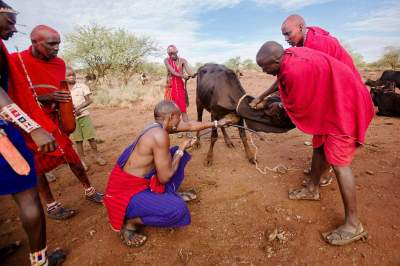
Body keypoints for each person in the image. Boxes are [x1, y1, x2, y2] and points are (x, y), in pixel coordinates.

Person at [256, 41, 374, 245]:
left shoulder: (294, 71)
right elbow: (280, 79)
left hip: (344, 106)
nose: (264, 71)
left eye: (265, 67)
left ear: (276, 60)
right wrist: (263, 95)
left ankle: (354, 225)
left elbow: (297, 106)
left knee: (339, 164)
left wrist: (278, 107)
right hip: (332, 101)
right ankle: (312, 188)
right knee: (319, 144)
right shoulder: (290, 54)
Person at [251, 14, 363, 186]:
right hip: (331, 93)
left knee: (331, 140)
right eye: (283, 36)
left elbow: (313, 82)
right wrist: (262, 96)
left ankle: (323, 175)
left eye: (288, 34)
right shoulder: (297, 47)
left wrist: (284, 105)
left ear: (301, 27)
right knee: (320, 138)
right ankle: (318, 174)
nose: (286, 39)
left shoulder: (318, 44)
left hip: (342, 94)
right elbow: (283, 73)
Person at [104, 100, 231, 247]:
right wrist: (181, 150)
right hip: (126, 194)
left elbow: (189, 125)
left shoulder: (156, 127)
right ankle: (130, 222)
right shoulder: (160, 136)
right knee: (178, 210)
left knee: (173, 155)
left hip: (135, 184)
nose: (181, 121)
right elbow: (165, 178)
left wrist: (217, 124)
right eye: (179, 118)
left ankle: (167, 196)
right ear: (171, 117)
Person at [10, 25, 103, 220]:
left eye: (58, 44)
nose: (56, 48)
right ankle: (51, 205)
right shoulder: (15, 61)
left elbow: (60, 91)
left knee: (73, 158)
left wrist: (64, 111)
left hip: (54, 120)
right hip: (29, 125)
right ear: (34, 42)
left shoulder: (59, 64)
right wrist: (46, 97)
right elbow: (12, 96)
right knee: (37, 167)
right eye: (52, 44)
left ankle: (89, 190)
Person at [0, 1, 66, 264]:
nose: (15, 29)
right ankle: (41, 262)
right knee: (29, 198)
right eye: (11, 21)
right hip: (4, 136)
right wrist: (33, 127)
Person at [66, 67, 106, 168]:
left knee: (91, 138)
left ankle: (97, 156)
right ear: (64, 77)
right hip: (72, 119)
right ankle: (82, 161)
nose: (71, 77)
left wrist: (78, 108)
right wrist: (71, 111)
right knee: (78, 140)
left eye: (73, 75)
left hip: (84, 115)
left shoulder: (82, 86)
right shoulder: (63, 89)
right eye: (68, 75)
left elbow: (89, 100)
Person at [164, 45, 195, 125]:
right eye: (169, 53)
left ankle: (187, 129)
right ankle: (177, 128)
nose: (171, 54)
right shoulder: (166, 60)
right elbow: (173, 72)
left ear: (177, 52)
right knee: (174, 110)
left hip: (180, 87)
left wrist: (193, 74)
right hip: (171, 88)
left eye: (173, 52)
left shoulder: (183, 60)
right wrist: (183, 76)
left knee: (183, 109)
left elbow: (189, 71)